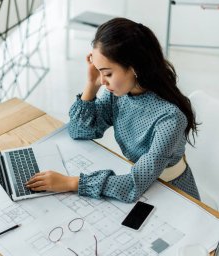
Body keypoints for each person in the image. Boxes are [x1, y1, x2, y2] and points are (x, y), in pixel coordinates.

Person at [26, 17, 200, 203]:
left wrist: (70, 183)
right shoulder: (118, 94)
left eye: (107, 73)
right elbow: (79, 131)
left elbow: (134, 184)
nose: (103, 80)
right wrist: (91, 84)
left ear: (135, 68)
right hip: (137, 184)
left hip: (172, 193)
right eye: (99, 71)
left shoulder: (170, 118)